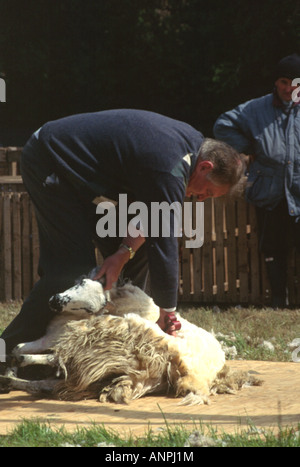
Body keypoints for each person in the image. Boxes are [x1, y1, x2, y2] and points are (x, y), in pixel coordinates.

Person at [1, 109, 244, 360]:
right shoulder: (171, 167)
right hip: (51, 159)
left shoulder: (192, 149)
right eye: (208, 192)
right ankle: (8, 350)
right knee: (70, 272)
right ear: (205, 167)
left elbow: (150, 214)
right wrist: (168, 312)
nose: (202, 198)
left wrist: (122, 252)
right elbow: (165, 242)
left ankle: (120, 341)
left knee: (136, 256)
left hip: (91, 178)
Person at [214, 54, 300, 308]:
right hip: (270, 190)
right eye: (283, 81)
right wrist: (249, 146)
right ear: (276, 82)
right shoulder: (256, 109)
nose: (289, 88)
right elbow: (223, 124)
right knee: (273, 245)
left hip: (298, 187)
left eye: (295, 82)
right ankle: (278, 300)